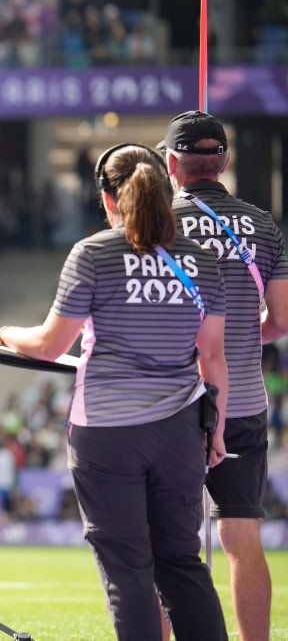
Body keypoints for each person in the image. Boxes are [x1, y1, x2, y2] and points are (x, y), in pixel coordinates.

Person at [0, 143, 230, 640]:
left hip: (107, 433)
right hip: (180, 431)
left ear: (107, 197)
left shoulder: (92, 254)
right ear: (165, 191)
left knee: (128, 568)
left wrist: (6, 333)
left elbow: (51, 345)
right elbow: (213, 358)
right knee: (181, 561)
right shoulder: (201, 260)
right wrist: (216, 432)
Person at [163, 110, 288, 641]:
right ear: (225, 163)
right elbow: (281, 321)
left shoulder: (154, 222)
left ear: (171, 164)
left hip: (170, 404)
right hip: (241, 403)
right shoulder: (263, 223)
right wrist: (238, 335)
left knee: (166, 541)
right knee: (241, 535)